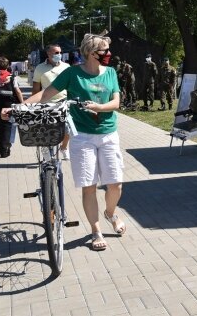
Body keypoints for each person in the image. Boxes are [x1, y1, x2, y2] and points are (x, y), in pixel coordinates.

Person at [23, 34, 125, 251]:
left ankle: (110, 213)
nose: (108, 54)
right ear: (90, 53)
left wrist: (100, 108)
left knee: (115, 185)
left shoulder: (111, 73)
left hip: (108, 134)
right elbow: (45, 94)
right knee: (89, 187)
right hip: (82, 137)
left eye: (108, 50)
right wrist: (19, 106)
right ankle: (96, 230)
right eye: (104, 51)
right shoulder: (73, 73)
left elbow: (116, 101)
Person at [33, 44, 72, 160]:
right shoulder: (40, 68)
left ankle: (64, 147)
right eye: (55, 53)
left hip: (63, 102)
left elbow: (71, 85)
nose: (58, 55)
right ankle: (45, 148)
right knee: (46, 129)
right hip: (46, 103)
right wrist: (33, 105)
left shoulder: (66, 67)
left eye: (60, 52)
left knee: (68, 128)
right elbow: (36, 88)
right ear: (48, 54)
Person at [0, 56, 24, 157]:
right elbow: (18, 91)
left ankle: (2, 145)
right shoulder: (11, 77)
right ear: (8, 65)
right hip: (8, 104)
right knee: (8, 125)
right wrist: (23, 103)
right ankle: (5, 146)